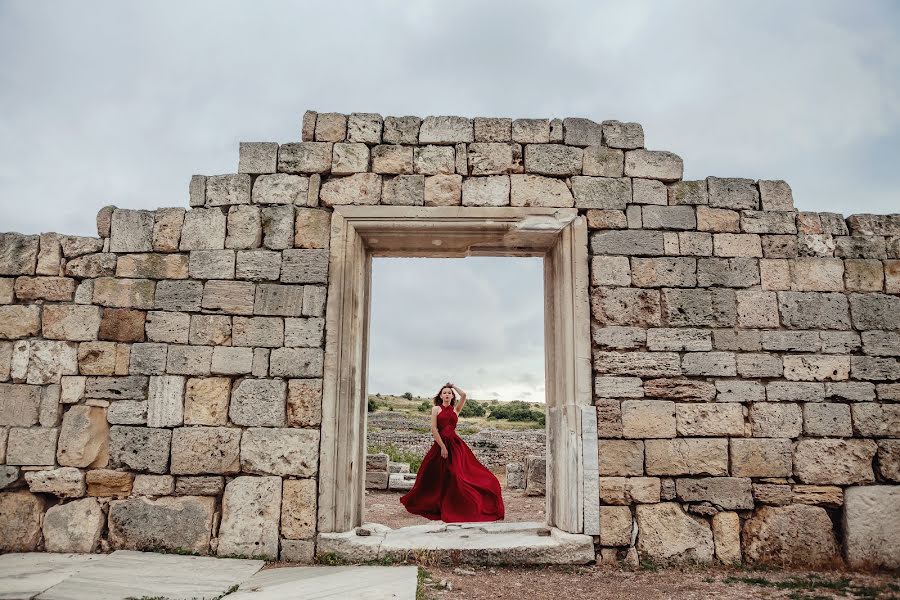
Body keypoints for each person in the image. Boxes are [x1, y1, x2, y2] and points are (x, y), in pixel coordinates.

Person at [399, 382, 505, 522]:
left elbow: (464, 395)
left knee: (459, 474)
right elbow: (434, 429)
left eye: (449, 393)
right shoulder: (435, 409)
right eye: (445, 392)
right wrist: (442, 447)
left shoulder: (456, 410)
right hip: (441, 445)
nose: (447, 394)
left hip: (455, 445)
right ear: (441, 395)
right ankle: (437, 502)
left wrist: (453, 386)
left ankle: (459, 504)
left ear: (452, 395)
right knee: (436, 474)